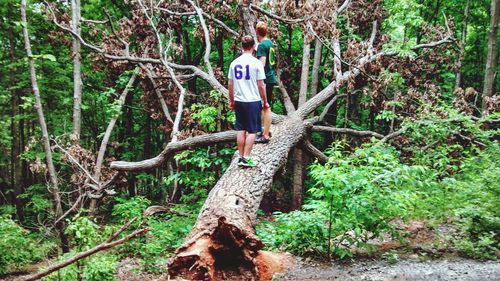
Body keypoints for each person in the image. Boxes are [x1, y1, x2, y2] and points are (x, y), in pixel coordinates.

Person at [228, 35, 269, 168]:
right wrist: (265, 101)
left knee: (241, 129)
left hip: (239, 100)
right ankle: (246, 157)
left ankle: (240, 157)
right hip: (252, 100)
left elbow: (230, 84)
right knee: (252, 131)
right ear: (253, 47)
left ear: (242, 47)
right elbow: (261, 85)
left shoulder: (234, 63)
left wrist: (232, 101)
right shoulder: (256, 63)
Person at [255, 21, 278, 144]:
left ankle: (265, 134)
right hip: (271, 76)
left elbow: (262, 64)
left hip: (265, 79)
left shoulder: (262, 45)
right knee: (264, 105)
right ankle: (265, 130)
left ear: (257, 32)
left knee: (265, 106)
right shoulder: (269, 43)